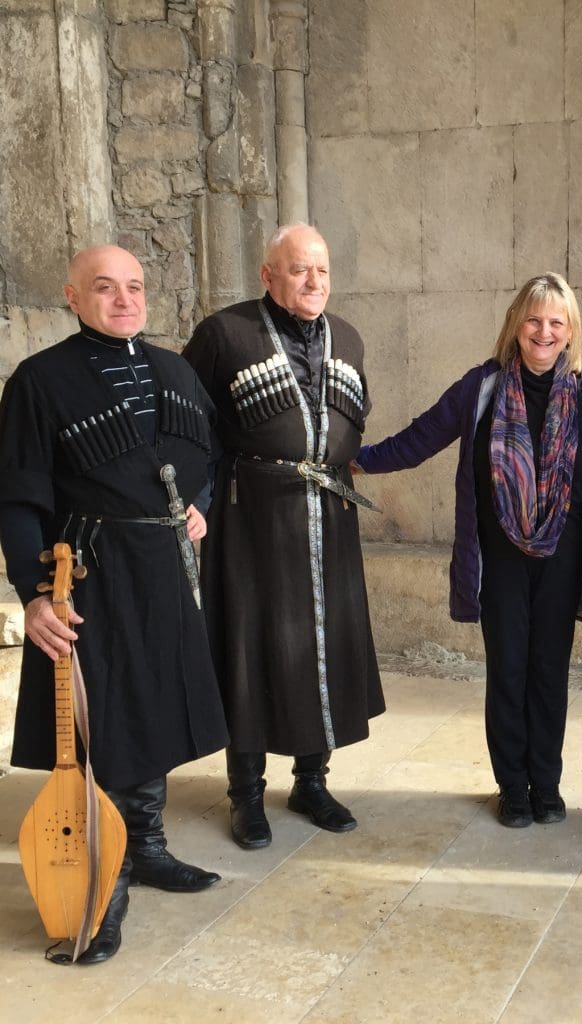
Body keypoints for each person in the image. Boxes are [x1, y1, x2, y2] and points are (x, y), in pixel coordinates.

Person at [0, 244, 228, 964]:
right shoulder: (40, 382)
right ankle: (109, 874)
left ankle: (150, 846)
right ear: (73, 295)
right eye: (105, 288)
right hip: (88, 575)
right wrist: (34, 596)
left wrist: (197, 503)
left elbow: (207, 457)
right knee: (106, 723)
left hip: (162, 567)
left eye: (134, 287)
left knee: (156, 708)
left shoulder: (174, 370)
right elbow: (17, 496)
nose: (124, 299)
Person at [356, 272, 582, 827]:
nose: (543, 331)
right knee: (508, 670)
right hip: (501, 559)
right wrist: (359, 460)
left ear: (570, 331)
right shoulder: (481, 389)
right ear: (515, 323)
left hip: (564, 560)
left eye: (556, 322)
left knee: (549, 672)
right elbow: (421, 437)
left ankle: (547, 783)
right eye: (534, 319)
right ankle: (513, 785)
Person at [183, 223, 384, 851]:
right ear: (268, 275)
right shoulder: (225, 334)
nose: (313, 282)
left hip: (330, 518)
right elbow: (192, 424)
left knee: (320, 649)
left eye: (321, 270)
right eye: (299, 270)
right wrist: (197, 502)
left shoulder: (346, 336)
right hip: (252, 524)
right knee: (251, 647)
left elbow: (353, 417)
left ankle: (311, 781)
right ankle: (245, 794)